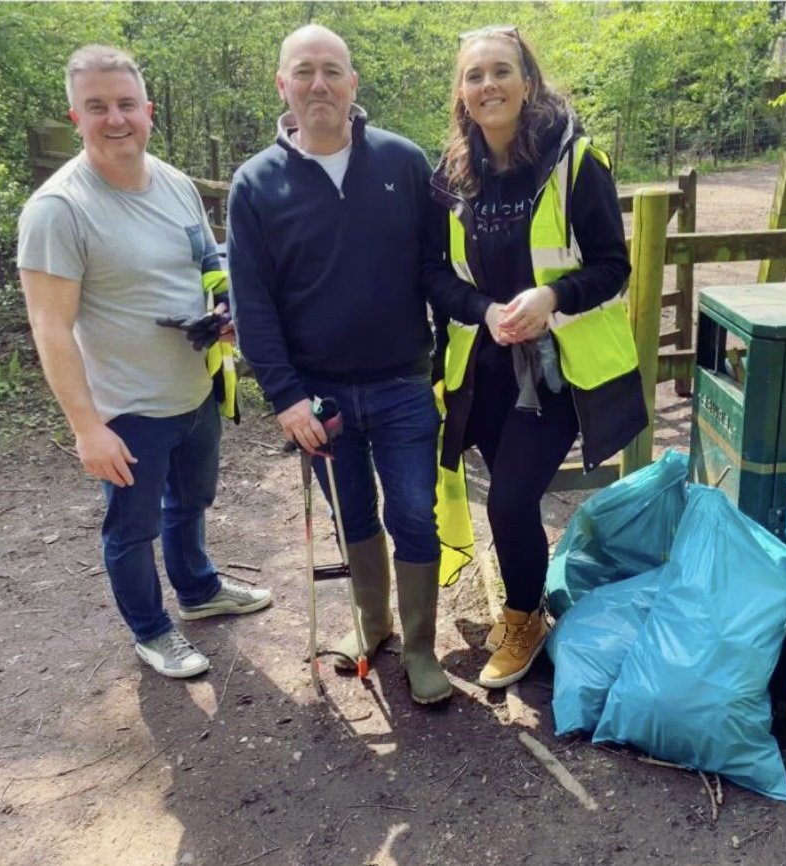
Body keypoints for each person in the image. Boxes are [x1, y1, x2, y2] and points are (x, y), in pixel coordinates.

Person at [226, 24, 476, 705]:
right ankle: (375, 628)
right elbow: (253, 306)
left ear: (353, 83)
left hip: (401, 385)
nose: (318, 84)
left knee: (415, 517)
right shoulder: (254, 185)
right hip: (320, 399)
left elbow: (435, 270)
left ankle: (422, 650)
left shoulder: (402, 162)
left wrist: (487, 311)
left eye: (331, 70)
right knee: (354, 518)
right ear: (282, 85)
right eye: (303, 71)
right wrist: (285, 398)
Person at [17, 45, 272, 680]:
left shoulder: (176, 183)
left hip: (195, 387)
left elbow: (206, 265)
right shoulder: (59, 210)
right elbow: (49, 326)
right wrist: (87, 428)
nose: (115, 119)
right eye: (97, 107)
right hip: (126, 408)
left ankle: (199, 590)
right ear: (75, 117)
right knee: (131, 530)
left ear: (148, 112)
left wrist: (225, 310)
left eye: (125, 104)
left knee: (190, 502)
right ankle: (152, 630)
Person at [431, 25, 648, 689]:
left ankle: (524, 618)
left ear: (528, 82)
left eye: (501, 71)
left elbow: (615, 267)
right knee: (512, 501)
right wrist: (484, 312)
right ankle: (527, 598)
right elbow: (435, 276)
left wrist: (551, 296)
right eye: (474, 76)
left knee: (510, 498)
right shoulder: (451, 176)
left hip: (558, 373)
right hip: (487, 370)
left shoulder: (577, 161)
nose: (487, 85)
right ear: (461, 95)